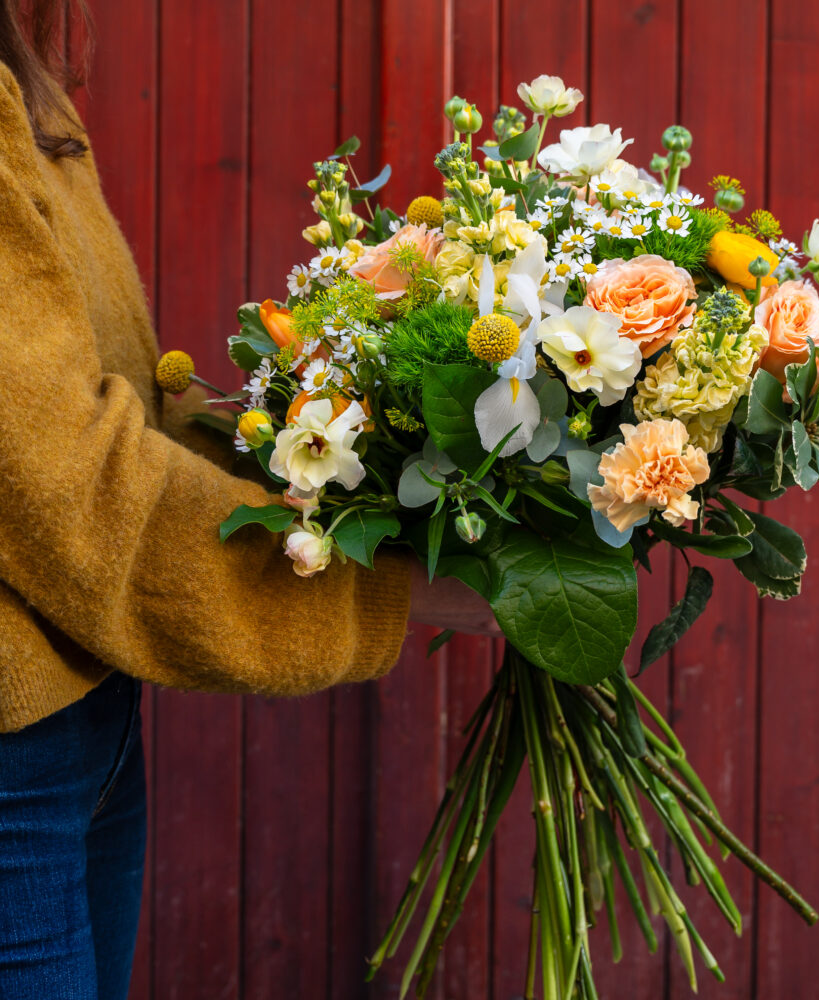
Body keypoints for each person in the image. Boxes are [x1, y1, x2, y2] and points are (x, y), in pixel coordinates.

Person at [0, 2, 498, 998]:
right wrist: (387, 583)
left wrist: (324, 452)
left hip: (84, 721)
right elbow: (65, 485)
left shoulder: (25, 85)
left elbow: (109, 404)